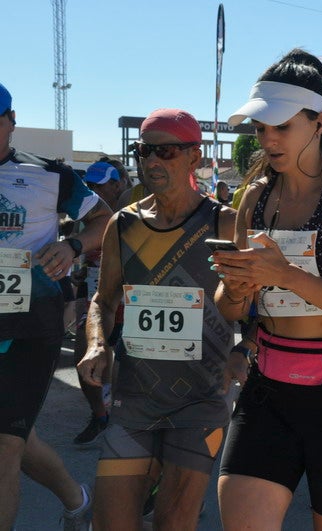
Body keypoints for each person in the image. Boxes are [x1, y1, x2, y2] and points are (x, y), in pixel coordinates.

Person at [210, 49, 322, 530]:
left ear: (319, 122)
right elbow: (232, 308)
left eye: (281, 126)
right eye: (260, 128)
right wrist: (235, 286)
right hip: (267, 386)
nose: (267, 139)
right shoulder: (256, 194)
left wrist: (286, 274)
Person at [77, 108, 237, 529]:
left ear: (194, 158)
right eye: (143, 150)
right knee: (110, 522)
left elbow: (254, 302)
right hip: (135, 398)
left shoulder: (223, 221)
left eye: (165, 152)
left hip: (200, 400)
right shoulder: (122, 224)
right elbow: (102, 300)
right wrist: (96, 344)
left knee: (174, 521)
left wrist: (248, 351)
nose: (151, 162)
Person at [0, 82, 112, 530]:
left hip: (30, 324)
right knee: (15, 437)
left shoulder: (50, 175)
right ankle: (76, 499)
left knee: (6, 446)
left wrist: (73, 245)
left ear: (10, 122)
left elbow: (105, 221)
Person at [71, 161, 126, 445]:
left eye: (99, 184)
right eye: (90, 185)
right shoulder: (86, 214)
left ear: (118, 184)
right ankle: (100, 416)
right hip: (96, 293)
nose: (93, 190)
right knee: (87, 348)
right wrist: (80, 270)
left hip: (129, 297)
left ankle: (120, 416)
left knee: (126, 359)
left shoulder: (133, 214)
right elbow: (80, 250)